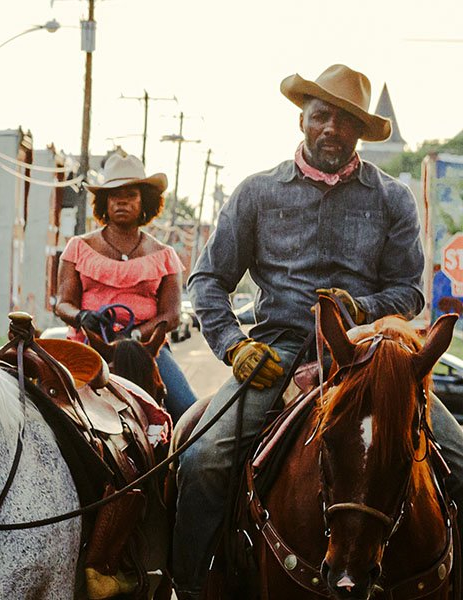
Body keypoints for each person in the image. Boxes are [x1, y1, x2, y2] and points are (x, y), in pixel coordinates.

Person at [175, 64, 463, 599]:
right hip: (277, 351)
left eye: (345, 121)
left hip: (370, 352)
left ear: (359, 133)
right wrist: (234, 345)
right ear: (302, 119)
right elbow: (207, 280)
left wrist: (362, 307)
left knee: (460, 457)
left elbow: (410, 291)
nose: (331, 128)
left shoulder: (392, 198)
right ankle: (190, 588)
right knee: (203, 460)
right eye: (321, 116)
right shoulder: (257, 193)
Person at [52, 150, 198, 418]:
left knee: (189, 412)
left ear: (145, 201)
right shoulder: (78, 247)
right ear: (104, 202)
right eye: (114, 195)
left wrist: (133, 337)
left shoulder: (164, 255)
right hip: (87, 344)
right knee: (50, 413)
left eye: (130, 195)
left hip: (146, 351)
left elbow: (172, 315)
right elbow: (63, 304)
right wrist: (83, 316)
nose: (122, 201)